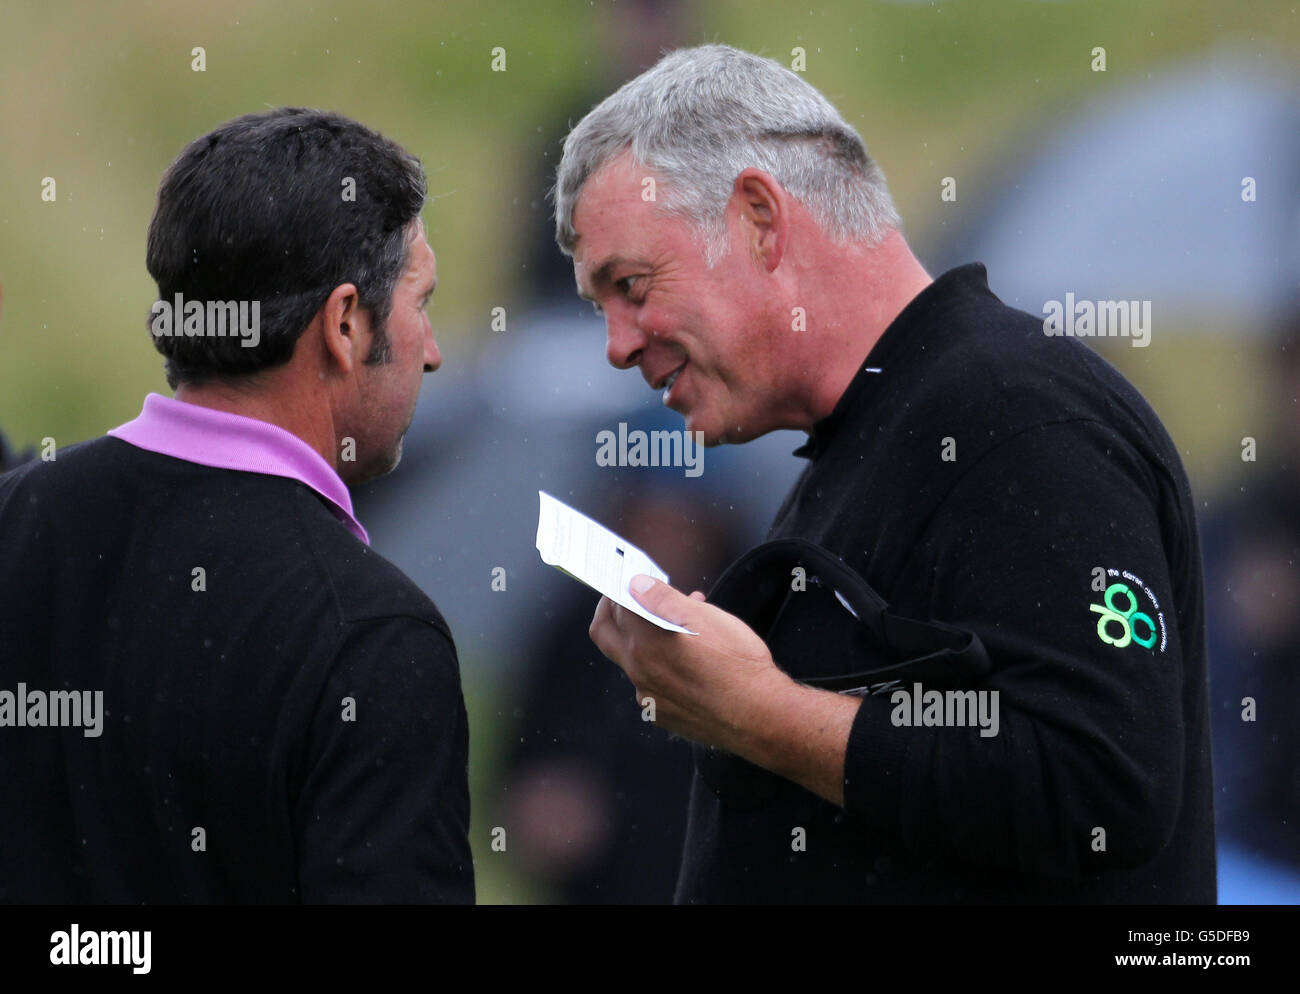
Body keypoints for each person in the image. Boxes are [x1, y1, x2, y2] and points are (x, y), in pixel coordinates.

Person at [555, 45, 1216, 903]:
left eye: (632, 285)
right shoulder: (871, 434)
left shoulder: (1018, 414)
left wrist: (757, 713)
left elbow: (1101, 784)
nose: (616, 344)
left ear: (759, 216)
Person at [0, 109, 474, 903]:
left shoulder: (14, 522)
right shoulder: (374, 639)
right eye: (421, 302)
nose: (432, 348)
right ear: (346, 324)